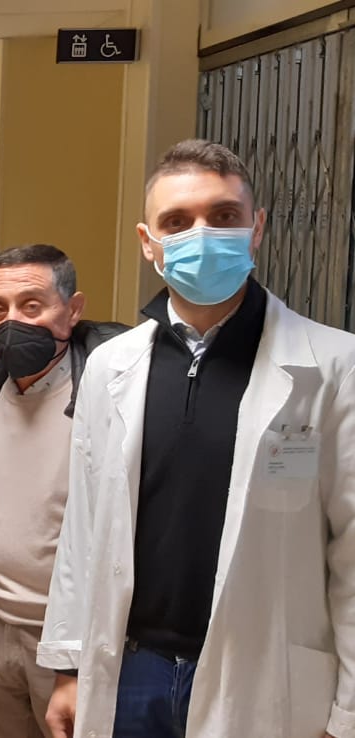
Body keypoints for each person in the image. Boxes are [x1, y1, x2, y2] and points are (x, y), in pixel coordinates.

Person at [41, 139, 355, 738]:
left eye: (224, 215)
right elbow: (83, 529)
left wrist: (348, 714)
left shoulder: (334, 366)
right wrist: (68, 665)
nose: (202, 235)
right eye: (177, 222)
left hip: (265, 675)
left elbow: (352, 553)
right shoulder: (111, 366)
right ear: (148, 242)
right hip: (132, 668)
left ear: (256, 228)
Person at [0, 245, 127, 738]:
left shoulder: (111, 398)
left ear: (73, 310)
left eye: (32, 305)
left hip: (71, 640)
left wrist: (74, 658)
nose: (12, 321)